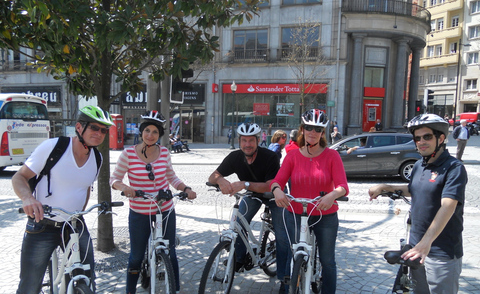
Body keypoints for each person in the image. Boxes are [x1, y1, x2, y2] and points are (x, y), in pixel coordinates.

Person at [12, 105, 114, 294]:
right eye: (94, 127)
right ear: (79, 127)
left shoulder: (97, 158)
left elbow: (85, 188)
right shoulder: (54, 147)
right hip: (43, 224)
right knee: (29, 286)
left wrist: (79, 214)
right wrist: (27, 199)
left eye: (104, 130)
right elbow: (19, 177)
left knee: (85, 278)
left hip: (75, 224)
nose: (99, 133)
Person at [368, 113, 467, 293]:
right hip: (415, 247)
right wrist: (385, 186)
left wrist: (425, 244)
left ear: (441, 138)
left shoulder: (454, 168)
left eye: (427, 137)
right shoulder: (420, 165)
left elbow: (448, 206)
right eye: (417, 138)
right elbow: (414, 189)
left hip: (440, 252)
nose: (421, 141)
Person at [110, 110, 196, 294]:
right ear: (141, 132)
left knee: (170, 252)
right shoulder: (128, 154)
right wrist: (125, 187)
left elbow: (171, 177)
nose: (150, 135)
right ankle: (130, 291)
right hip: (140, 212)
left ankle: (175, 289)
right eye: (147, 130)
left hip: (164, 209)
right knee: (135, 256)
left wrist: (186, 189)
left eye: (155, 132)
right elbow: (114, 180)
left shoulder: (164, 152)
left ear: (160, 135)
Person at [271, 109, 349, 294]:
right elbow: (277, 181)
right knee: (293, 252)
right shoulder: (292, 156)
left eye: (317, 129)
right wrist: (277, 191)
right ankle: (287, 286)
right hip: (297, 213)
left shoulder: (332, 156)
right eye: (308, 128)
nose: (312, 132)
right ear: (302, 130)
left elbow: (343, 186)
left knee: (327, 260)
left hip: (325, 214)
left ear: (323, 132)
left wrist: (331, 196)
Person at [208, 123, 290, 294]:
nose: (247, 144)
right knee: (238, 220)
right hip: (253, 194)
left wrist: (244, 184)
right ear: (239, 141)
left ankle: (284, 278)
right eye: (244, 140)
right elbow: (213, 175)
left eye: (251, 141)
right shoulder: (235, 157)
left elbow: (270, 186)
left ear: (258, 141)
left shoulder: (270, 157)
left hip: (275, 195)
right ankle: (239, 258)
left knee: (283, 237)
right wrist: (221, 180)